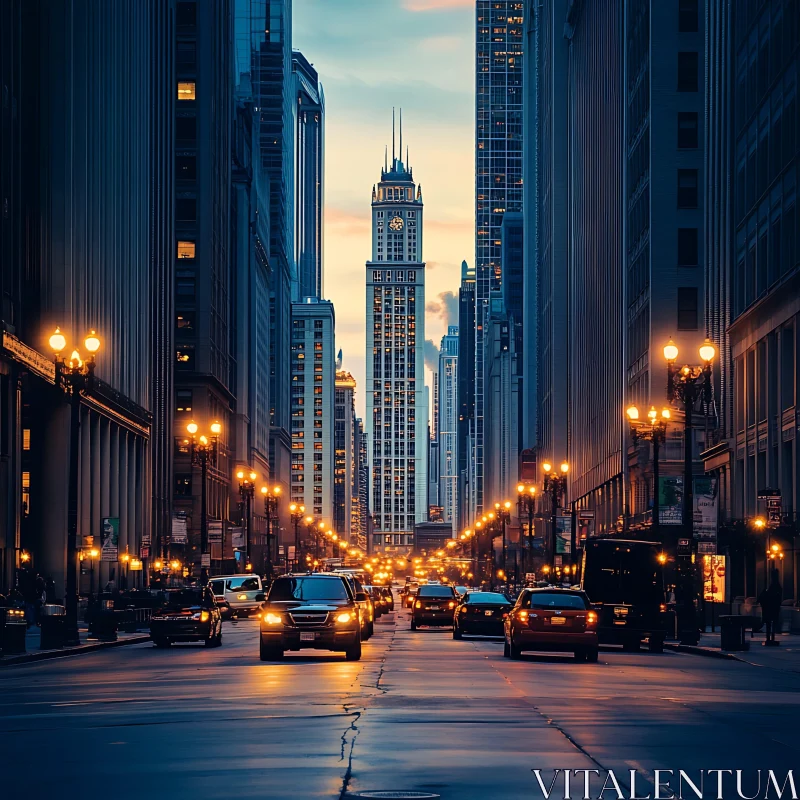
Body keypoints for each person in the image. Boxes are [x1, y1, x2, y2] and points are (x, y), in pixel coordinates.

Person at [758, 570, 782, 644]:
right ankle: (770, 637)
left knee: (770, 624)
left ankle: (770, 638)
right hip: (773, 607)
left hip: (770, 608)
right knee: (772, 623)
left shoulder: (773, 586)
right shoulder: (776, 586)